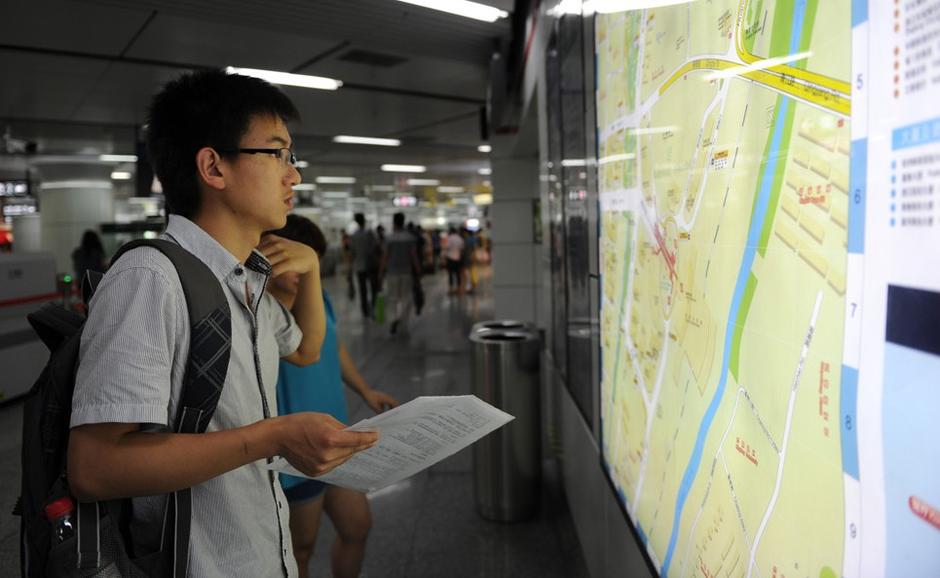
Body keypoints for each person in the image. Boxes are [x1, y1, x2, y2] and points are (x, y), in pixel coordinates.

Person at [67, 69, 378, 578]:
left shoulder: (244, 280)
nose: (294, 176)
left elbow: (305, 349)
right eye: (277, 153)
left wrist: (312, 268)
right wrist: (273, 437)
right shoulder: (151, 278)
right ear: (214, 167)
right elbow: (96, 467)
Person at [268, 215, 399, 578]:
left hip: (338, 433)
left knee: (357, 526)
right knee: (301, 547)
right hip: (299, 448)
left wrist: (364, 389)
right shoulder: (263, 314)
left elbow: (334, 346)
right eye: (296, 258)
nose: (303, 270)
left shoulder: (317, 297)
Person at [381, 212, 419, 335]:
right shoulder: (410, 238)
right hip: (406, 272)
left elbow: (385, 256)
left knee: (392, 297)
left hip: (392, 272)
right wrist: (418, 270)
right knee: (405, 297)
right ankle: (403, 320)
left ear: (394, 222)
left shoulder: (389, 238)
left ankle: (393, 319)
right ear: (403, 221)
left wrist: (381, 271)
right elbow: (413, 256)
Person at [349, 213, 379, 318]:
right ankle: (373, 307)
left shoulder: (353, 236)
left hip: (359, 266)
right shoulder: (370, 233)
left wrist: (350, 268)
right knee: (374, 288)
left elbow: (352, 252)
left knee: (363, 290)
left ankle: (365, 310)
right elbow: (375, 248)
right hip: (371, 265)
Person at [443, 226, 465, 295]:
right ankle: (459, 289)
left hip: (450, 258)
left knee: (450, 274)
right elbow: (462, 248)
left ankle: (451, 289)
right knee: (458, 274)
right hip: (458, 258)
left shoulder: (449, 238)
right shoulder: (460, 238)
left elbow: (447, 247)